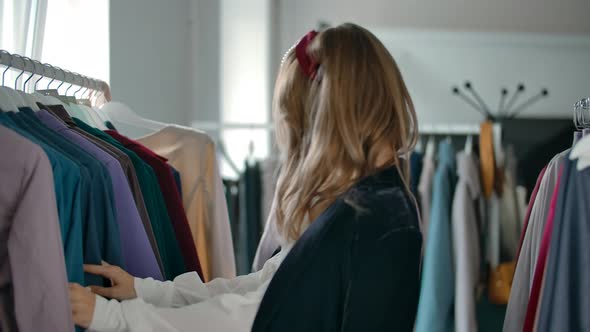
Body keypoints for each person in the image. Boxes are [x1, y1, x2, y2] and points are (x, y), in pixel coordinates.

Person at [69, 23, 423, 332]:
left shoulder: (362, 219)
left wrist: (117, 318)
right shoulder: (373, 205)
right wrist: (151, 293)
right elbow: (264, 288)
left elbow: (250, 317)